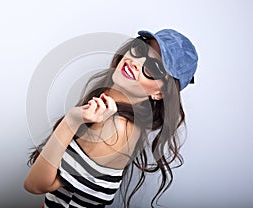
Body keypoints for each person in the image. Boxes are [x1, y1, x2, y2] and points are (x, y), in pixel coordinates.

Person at [24, 28, 198, 208]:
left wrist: (71, 121)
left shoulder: (116, 127)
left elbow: (35, 185)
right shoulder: (115, 106)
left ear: (159, 93)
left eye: (153, 68)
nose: (136, 62)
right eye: (141, 50)